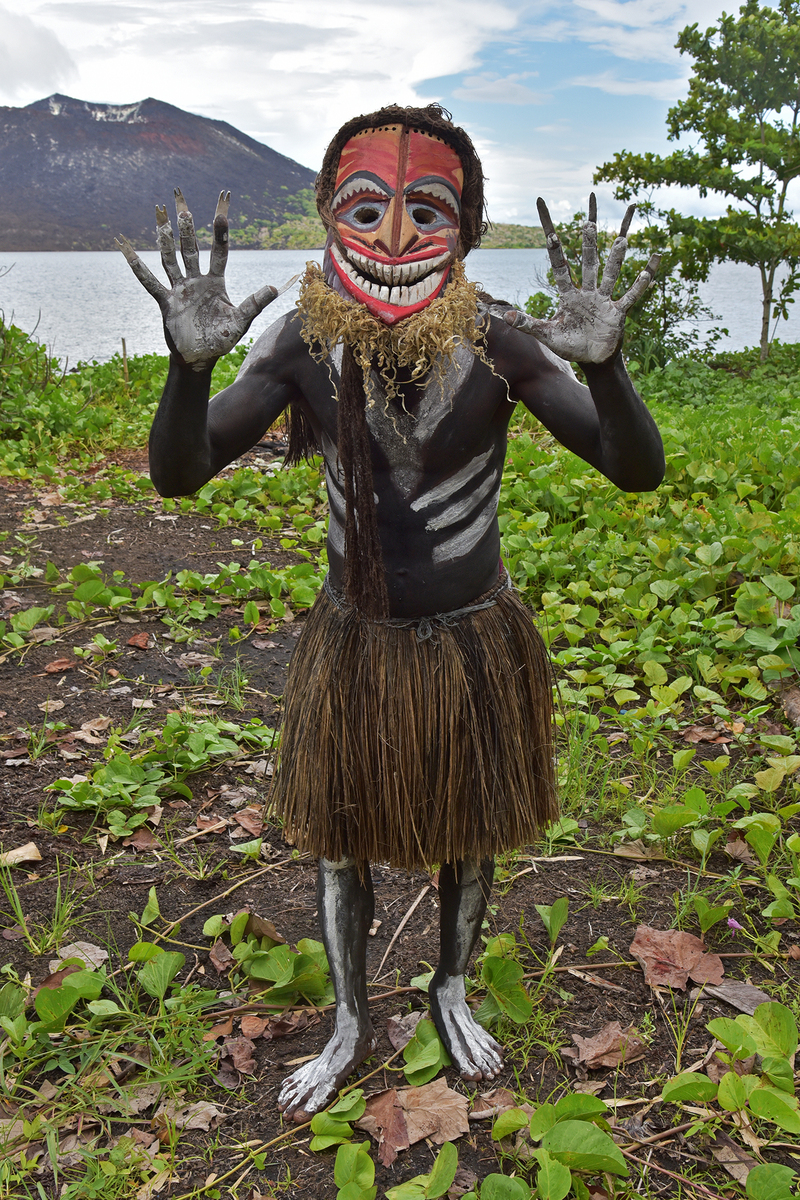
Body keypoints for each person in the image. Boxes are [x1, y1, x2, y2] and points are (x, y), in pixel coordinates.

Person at [117, 103, 664, 1121]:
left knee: (469, 827)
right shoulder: (297, 347)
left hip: (469, 642)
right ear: (327, 211)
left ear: (466, 225)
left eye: (430, 208)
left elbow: (631, 471)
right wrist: (187, 371)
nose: (399, 235)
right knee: (343, 839)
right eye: (368, 204)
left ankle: (448, 984)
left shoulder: (501, 342)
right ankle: (349, 1022)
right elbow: (180, 475)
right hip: (354, 642)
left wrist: (605, 362)